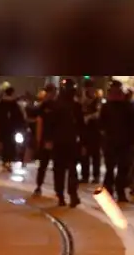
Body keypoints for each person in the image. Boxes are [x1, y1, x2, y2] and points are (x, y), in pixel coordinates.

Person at [45, 78, 83, 207]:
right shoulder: (73, 106)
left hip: (62, 142)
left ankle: (63, 195)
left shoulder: (59, 105)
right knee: (69, 169)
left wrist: (49, 139)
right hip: (68, 141)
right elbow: (81, 126)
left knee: (61, 170)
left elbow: (50, 124)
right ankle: (69, 194)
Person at [99, 79, 134, 202]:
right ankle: (111, 191)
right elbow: (102, 125)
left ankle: (117, 191)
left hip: (121, 142)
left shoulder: (126, 106)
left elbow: (132, 125)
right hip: (113, 142)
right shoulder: (108, 107)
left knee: (121, 168)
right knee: (112, 168)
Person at [31, 85, 57, 197]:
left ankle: (57, 189)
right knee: (43, 165)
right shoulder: (43, 106)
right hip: (46, 138)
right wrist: (39, 138)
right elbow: (39, 122)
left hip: (55, 139)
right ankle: (39, 186)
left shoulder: (57, 105)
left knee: (56, 166)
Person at [0, 85, 26, 171]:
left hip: (4, 128)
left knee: (5, 145)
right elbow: (20, 118)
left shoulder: (1, 104)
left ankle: (5, 161)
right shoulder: (15, 105)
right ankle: (8, 161)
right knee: (11, 145)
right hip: (12, 129)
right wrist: (22, 127)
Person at [79, 79, 102, 184]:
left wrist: (88, 117)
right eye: (87, 87)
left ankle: (96, 175)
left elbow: (98, 113)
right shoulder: (82, 100)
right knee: (84, 154)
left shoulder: (97, 100)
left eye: (90, 87)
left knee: (95, 155)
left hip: (95, 131)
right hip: (84, 131)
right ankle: (85, 175)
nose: (89, 90)